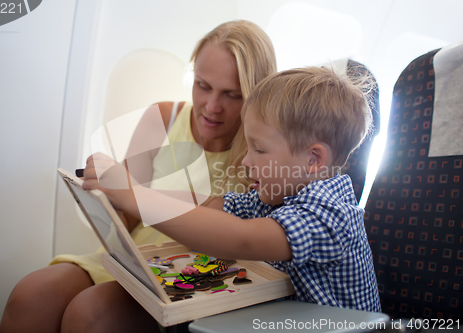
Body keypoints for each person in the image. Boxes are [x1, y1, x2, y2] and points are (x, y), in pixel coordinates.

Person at [0, 20, 276, 333]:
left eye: (231, 95)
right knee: (30, 295)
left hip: (193, 274)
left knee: (90, 313)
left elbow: (248, 238)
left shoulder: (262, 152)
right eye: (202, 85)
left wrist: (132, 194)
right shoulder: (162, 117)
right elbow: (127, 216)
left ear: (255, 94)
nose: (212, 107)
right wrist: (103, 197)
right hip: (134, 258)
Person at [83, 67, 382, 315]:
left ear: (313, 159)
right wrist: (134, 189)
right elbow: (212, 205)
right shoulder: (279, 195)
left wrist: (135, 197)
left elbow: (242, 239)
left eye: (260, 149)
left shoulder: (329, 214)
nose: (245, 160)